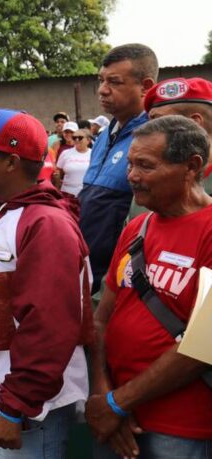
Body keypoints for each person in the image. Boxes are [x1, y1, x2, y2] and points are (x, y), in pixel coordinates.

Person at [0, 109, 91, 457]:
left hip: (25, 413)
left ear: (11, 163)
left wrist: (15, 405)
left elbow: (49, 324)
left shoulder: (44, 223)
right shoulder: (0, 210)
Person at [86, 116, 212, 459]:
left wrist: (116, 403)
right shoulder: (137, 228)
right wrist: (104, 395)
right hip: (116, 417)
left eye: (145, 165)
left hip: (180, 426)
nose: (131, 176)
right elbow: (100, 319)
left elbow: (202, 345)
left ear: (191, 167)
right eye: (129, 164)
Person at [78, 43, 158, 293]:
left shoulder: (154, 137)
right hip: (87, 265)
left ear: (145, 86)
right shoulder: (103, 135)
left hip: (119, 277)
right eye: (101, 80)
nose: (102, 90)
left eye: (114, 82)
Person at [54, 129, 92, 196]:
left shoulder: (94, 154)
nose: (77, 140)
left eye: (80, 138)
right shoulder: (65, 153)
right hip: (67, 193)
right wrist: (57, 190)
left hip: (87, 194)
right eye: (74, 138)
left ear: (88, 140)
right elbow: (58, 172)